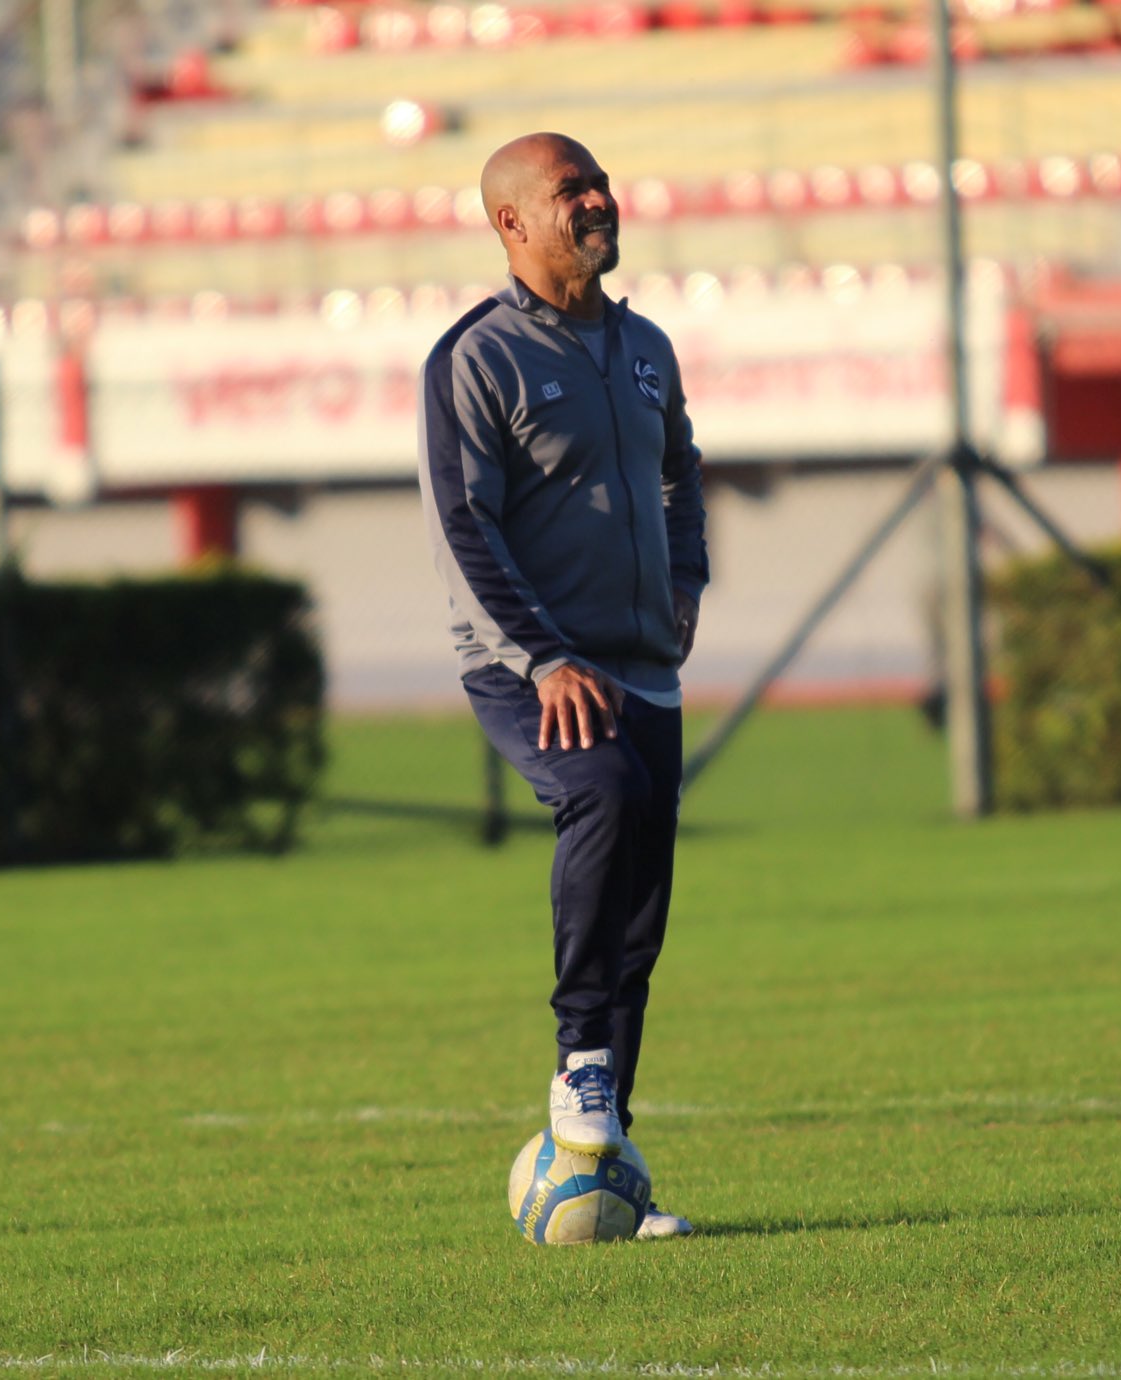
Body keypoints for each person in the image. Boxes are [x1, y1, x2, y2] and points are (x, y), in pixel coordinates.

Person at [417, 132, 708, 1240]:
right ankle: (578, 1064)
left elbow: (681, 470)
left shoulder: (646, 349)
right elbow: (462, 522)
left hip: (642, 668)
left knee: (641, 913)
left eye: (598, 182)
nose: (596, 199)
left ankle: (601, 1164)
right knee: (604, 797)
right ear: (510, 225)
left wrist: (686, 576)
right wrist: (546, 659)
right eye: (568, 190)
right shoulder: (475, 358)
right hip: (524, 667)